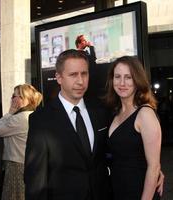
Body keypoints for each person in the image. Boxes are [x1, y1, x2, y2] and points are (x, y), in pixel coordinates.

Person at [24, 49, 110, 200]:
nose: (80, 81)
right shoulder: (41, 120)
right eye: (73, 75)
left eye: (84, 73)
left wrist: (153, 167)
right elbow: (35, 180)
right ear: (59, 77)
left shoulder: (100, 111)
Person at [105, 56, 162, 200]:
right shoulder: (114, 112)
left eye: (128, 77)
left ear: (137, 80)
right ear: (112, 80)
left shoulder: (145, 113)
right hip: (118, 190)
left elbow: (153, 167)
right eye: (117, 77)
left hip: (139, 191)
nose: (122, 83)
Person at [0, 84, 43, 200]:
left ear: (25, 99)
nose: (12, 99)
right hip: (25, 163)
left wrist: (10, 112)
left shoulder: (20, 117)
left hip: (16, 166)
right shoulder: (32, 114)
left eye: (15, 96)